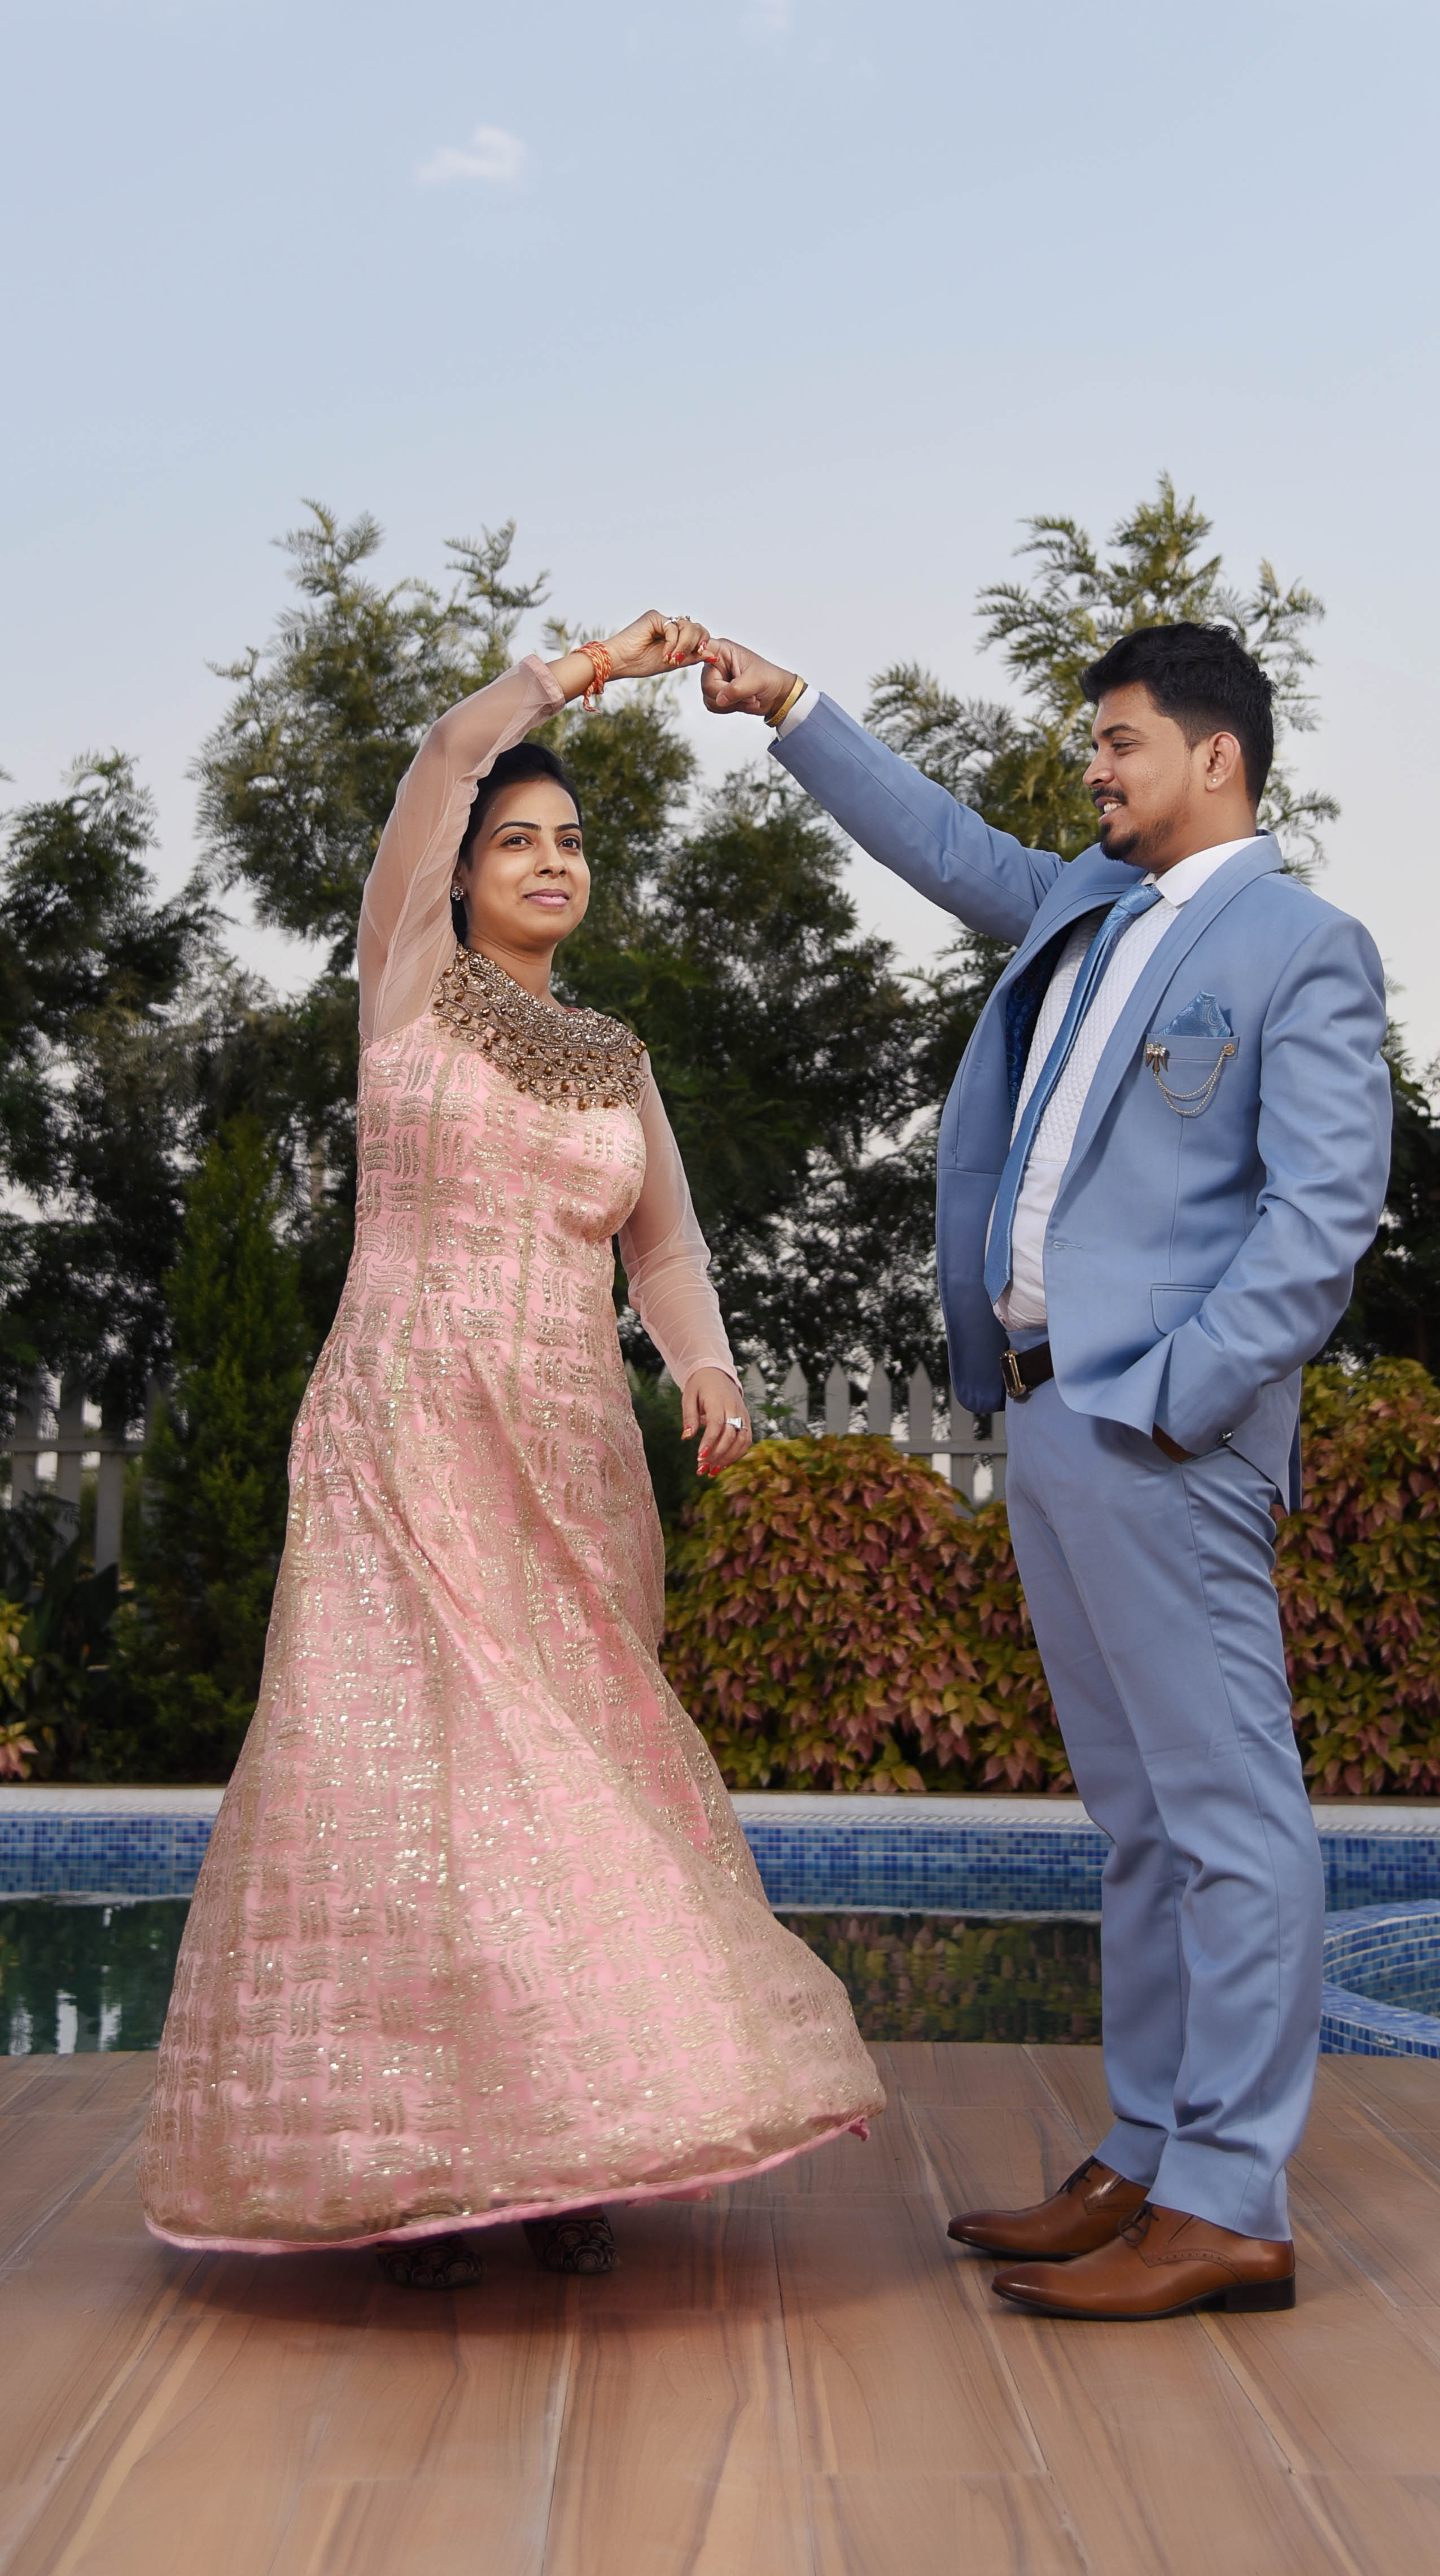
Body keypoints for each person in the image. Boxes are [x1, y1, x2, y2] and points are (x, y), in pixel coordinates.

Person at [141, 610, 882, 2287]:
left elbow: (665, 1246)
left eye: (573, 842)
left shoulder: (615, 1059)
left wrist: (706, 1367)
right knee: (408, 1784)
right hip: (402, 1434)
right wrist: (579, 675)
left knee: (567, 1786)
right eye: (519, 840)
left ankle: (568, 2153)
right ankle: (410, 2167)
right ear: (460, 872)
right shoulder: (406, 988)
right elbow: (440, 755)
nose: (553, 863)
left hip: (567, 1456)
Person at [703, 621, 1389, 2325]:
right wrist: (790, 706)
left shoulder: (1302, 947)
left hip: (1158, 1430)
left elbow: (1319, 1225)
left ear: (1217, 757)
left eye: (1121, 742)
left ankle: (1230, 2201)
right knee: (1142, 1821)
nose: (1094, 770)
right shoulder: (1084, 906)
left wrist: (1170, 1399)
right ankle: (1151, 2154)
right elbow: (945, 845)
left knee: (1230, 1821)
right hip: (1047, 1417)